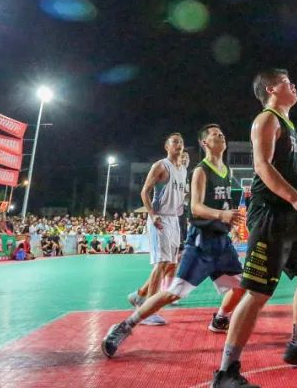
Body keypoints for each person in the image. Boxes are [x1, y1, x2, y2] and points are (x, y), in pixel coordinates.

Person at [210, 69, 297, 388]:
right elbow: (262, 167)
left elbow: (291, 178)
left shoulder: (288, 125)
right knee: (257, 292)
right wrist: (296, 199)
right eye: (287, 82)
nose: (294, 85)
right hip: (270, 215)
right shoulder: (266, 119)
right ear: (271, 89)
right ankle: (225, 372)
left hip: (291, 215)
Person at [103, 123, 249, 357]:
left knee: (241, 287)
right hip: (201, 243)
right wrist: (222, 215)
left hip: (222, 243)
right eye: (215, 135)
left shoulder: (226, 170)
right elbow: (196, 207)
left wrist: (229, 222)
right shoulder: (201, 171)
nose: (221, 136)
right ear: (205, 143)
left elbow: (222, 204)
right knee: (174, 292)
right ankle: (124, 326)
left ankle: (220, 319)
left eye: (222, 134)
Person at [127, 133, 188, 326]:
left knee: (170, 264)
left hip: (174, 219)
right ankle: (148, 311)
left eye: (181, 142)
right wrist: (153, 215)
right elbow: (144, 191)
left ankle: (139, 295)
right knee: (161, 263)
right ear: (166, 146)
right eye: (174, 142)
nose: (179, 144)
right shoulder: (160, 166)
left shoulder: (183, 169)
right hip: (159, 218)